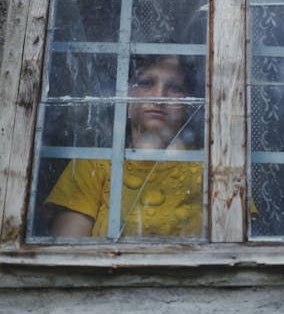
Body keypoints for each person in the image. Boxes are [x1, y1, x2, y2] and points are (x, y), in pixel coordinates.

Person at [45, 55, 203, 239]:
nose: (159, 96)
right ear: (127, 96)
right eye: (146, 83)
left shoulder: (206, 168)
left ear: (188, 104)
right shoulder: (94, 163)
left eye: (174, 88)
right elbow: (68, 250)